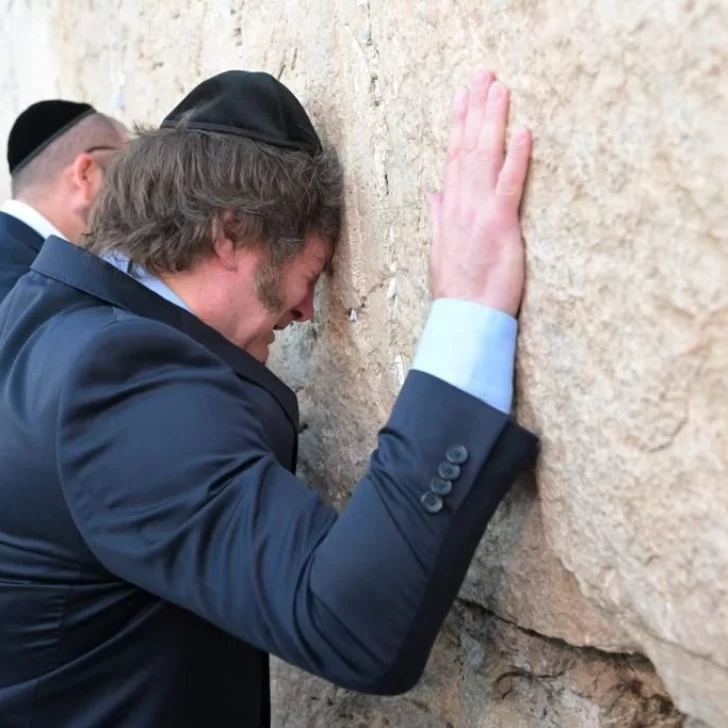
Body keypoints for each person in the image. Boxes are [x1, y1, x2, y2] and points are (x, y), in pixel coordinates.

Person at [0, 69, 539, 726]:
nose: (307, 309)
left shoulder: (40, 314)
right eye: (307, 275)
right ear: (229, 232)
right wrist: (469, 309)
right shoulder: (113, 382)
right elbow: (353, 625)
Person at [0, 100, 128, 301]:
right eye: (126, 174)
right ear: (85, 175)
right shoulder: (27, 286)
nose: (135, 195)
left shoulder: (25, 264)